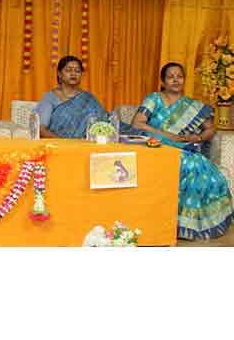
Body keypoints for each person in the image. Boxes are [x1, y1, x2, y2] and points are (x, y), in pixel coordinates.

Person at [131, 62, 233, 240]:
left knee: (200, 168)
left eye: (179, 76)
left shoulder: (192, 106)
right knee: (185, 163)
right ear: (163, 82)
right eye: (170, 76)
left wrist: (198, 138)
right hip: (157, 147)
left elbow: (210, 129)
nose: (175, 80)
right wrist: (167, 135)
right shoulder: (154, 99)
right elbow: (137, 123)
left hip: (185, 149)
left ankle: (189, 225)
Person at [33, 55, 108, 138]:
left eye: (77, 71)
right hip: (58, 145)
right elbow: (41, 129)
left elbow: (103, 123)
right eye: (68, 70)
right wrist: (64, 143)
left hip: (86, 145)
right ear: (59, 74)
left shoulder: (88, 98)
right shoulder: (50, 97)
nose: (73, 74)